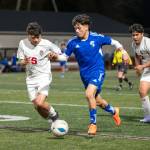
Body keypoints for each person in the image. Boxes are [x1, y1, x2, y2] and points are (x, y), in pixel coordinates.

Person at [49, 14, 127, 136]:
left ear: (86, 26)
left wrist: (123, 52)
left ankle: (93, 124)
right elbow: (64, 57)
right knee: (98, 101)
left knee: (89, 94)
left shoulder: (97, 38)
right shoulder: (73, 42)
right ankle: (114, 111)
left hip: (98, 71)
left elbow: (115, 42)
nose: (77, 30)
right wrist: (55, 57)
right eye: (75, 28)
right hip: (84, 74)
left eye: (79, 27)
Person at [17, 22, 63, 128]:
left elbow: (60, 53)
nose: (36, 40)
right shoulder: (22, 43)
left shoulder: (46, 43)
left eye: (38, 37)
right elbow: (20, 61)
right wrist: (24, 61)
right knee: (37, 107)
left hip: (44, 76)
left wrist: (54, 55)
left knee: (40, 103)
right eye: (33, 38)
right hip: (30, 78)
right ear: (28, 35)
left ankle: (55, 116)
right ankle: (52, 120)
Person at [129, 23, 150, 123]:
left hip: (146, 66)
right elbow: (137, 56)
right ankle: (148, 117)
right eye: (133, 35)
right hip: (147, 69)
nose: (135, 37)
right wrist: (138, 67)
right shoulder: (133, 44)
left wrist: (143, 66)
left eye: (137, 34)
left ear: (142, 34)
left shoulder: (148, 42)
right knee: (142, 91)